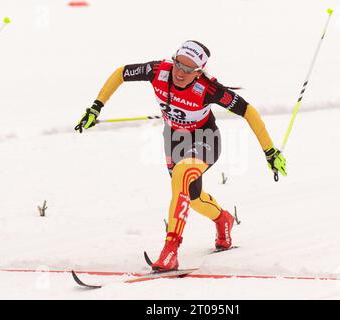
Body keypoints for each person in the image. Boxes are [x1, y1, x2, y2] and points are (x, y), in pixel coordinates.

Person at [75, 40, 287, 272]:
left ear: (200, 72)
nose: (180, 73)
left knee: (182, 174)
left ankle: (170, 250)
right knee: (192, 198)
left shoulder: (208, 89)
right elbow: (121, 73)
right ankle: (222, 219)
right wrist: (96, 107)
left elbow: (248, 111)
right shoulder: (159, 71)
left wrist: (270, 151)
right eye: (178, 64)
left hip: (205, 138)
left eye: (188, 69)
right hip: (174, 139)